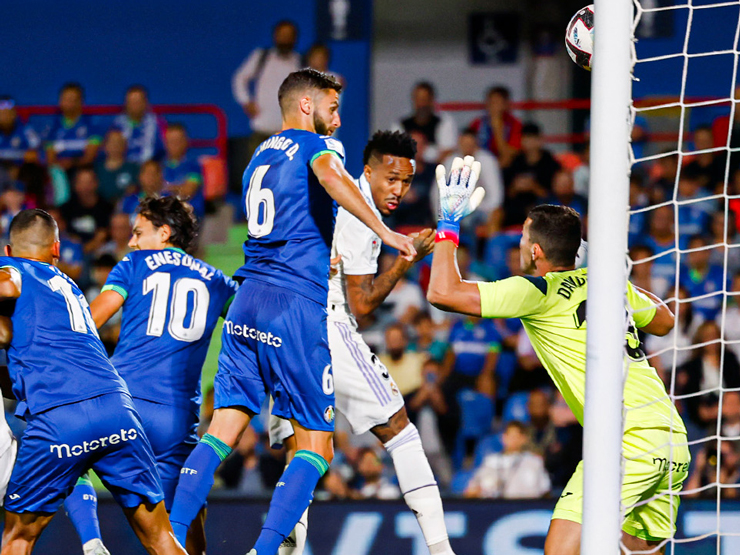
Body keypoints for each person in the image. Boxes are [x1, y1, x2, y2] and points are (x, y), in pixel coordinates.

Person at [167, 69, 415, 555]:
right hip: (292, 306)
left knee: (223, 429)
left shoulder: (258, 155)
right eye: (331, 107)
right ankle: (265, 551)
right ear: (305, 105)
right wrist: (385, 233)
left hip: (246, 301)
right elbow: (328, 176)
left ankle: (168, 538)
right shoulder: (313, 148)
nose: (337, 118)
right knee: (317, 446)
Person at [426, 162, 688, 554]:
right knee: (634, 549)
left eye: (521, 240)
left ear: (535, 251)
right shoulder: (606, 283)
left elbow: (442, 293)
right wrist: (615, 278)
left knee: (560, 551)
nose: (516, 247)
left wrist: (448, 224)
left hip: (628, 441)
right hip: (671, 439)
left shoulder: (537, 292)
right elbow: (665, 321)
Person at [268, 130, 457, 555]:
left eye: (406, 181)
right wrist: (407, 260)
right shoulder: (360, 211)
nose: (399, 190)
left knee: (304, 447)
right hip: (325, 324)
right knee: (399, 430)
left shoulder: (324, 193)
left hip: (282, 327)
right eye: (390, 178)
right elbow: (363, 302)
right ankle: (441, 550)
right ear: (366, 171)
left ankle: (284, 549)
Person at [0, 209, 185, 555]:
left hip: (60, 418)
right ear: (56, 249)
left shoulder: (13, 268)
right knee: (160, 537)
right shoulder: (68, 288)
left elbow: (7, 286)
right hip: (117, 409)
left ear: (8, 251)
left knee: (18, 538)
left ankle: (91, 541)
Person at [63, 196, 238, 555]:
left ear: (164, 232)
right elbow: (252, 325)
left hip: (124, 405)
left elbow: (90, 321)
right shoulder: (219, 282)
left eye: (138, 232)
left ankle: (92, 540)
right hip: (175, 419)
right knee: (180, 521)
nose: (131, 241)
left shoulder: (135, 264)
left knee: (68, 453)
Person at [232, 20, 302, 156]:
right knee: (257, 175)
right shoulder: (262, 57)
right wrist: (246, 101)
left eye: (289, 35)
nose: (285, 39)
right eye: (282, 35)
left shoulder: (300, 61)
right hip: (262, 130)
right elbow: (240, 78)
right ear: (275, 36)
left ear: (295, 38)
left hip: (290, 134)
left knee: (288, 176)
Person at [464, 421, 550, 499]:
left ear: (524, 439)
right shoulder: (491, 461)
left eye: (517, 436)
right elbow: (471, 490)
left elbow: (545, 490)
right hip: (496, 507)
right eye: (510, 436)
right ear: (503, 437)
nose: (513, 440)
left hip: (527, 508)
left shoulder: (533, 461)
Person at [44, 83, 101, 176]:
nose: (70, 103)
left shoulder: (92, 124)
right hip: (59, 171)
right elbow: (50, 158)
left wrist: (72, 163)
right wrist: (60, 165)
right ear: (60, 101)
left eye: (73, 99)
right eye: (66, 99)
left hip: (83, 169)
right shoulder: (52, 126)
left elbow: (90, 156)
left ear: (81, 102)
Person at [395, 82, 458, 164]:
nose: (421, 105)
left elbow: (448, 152)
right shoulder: (401, 124)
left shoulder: (444, 122)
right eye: (418, 100)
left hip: (436, 170)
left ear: (432, 100)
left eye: (424, 100)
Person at [60, 167, 113, 254]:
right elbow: (64, 234)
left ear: (96, 183)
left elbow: (103, 235)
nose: (85, 187)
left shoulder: (106, 208)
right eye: (81, 182)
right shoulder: (66, 208)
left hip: (99, 251)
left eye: (89, 182)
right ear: (75, 185)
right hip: (70, 252)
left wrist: (84, 249)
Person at [468, 86, 522, 169]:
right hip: (481, 164)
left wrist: (497, 129)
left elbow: (509, 155)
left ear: (506, 104)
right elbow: (469, 148)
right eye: (490, 102)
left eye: (496, 103)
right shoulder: (478, 123)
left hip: (506, 167)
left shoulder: (514, 124)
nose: (492, 107)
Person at [112, 85, 166, 164]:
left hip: (150, 167)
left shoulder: (157, 122)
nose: (135, 106)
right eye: (131, 102)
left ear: (145, 103)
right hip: (124, 168)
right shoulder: (117, 124)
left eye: (138, 102)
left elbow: (165, 149)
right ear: (126, 104)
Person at [163, 124, 205, 219]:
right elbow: (151, 190)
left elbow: (188, 191)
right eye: (171, 141)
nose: (175, 145)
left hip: (188, 214)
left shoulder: (194, 166)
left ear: (185, 142)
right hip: (163, 212)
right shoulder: (158, 166)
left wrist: (167, 188)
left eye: (178, 141)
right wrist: (178, 187)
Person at [95, 129, 139, 203]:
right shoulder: (97, 169)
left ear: (125, 146)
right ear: (105, 146)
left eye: (119, 142)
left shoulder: (133, 168)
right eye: (112, 142)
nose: (115, 146)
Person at [0, 96, 39, 167]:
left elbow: (35, 152)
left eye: (8, 113)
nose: (5, 117)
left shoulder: (26, 130)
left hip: (22, 170)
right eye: (2, 114)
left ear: (14, 114)